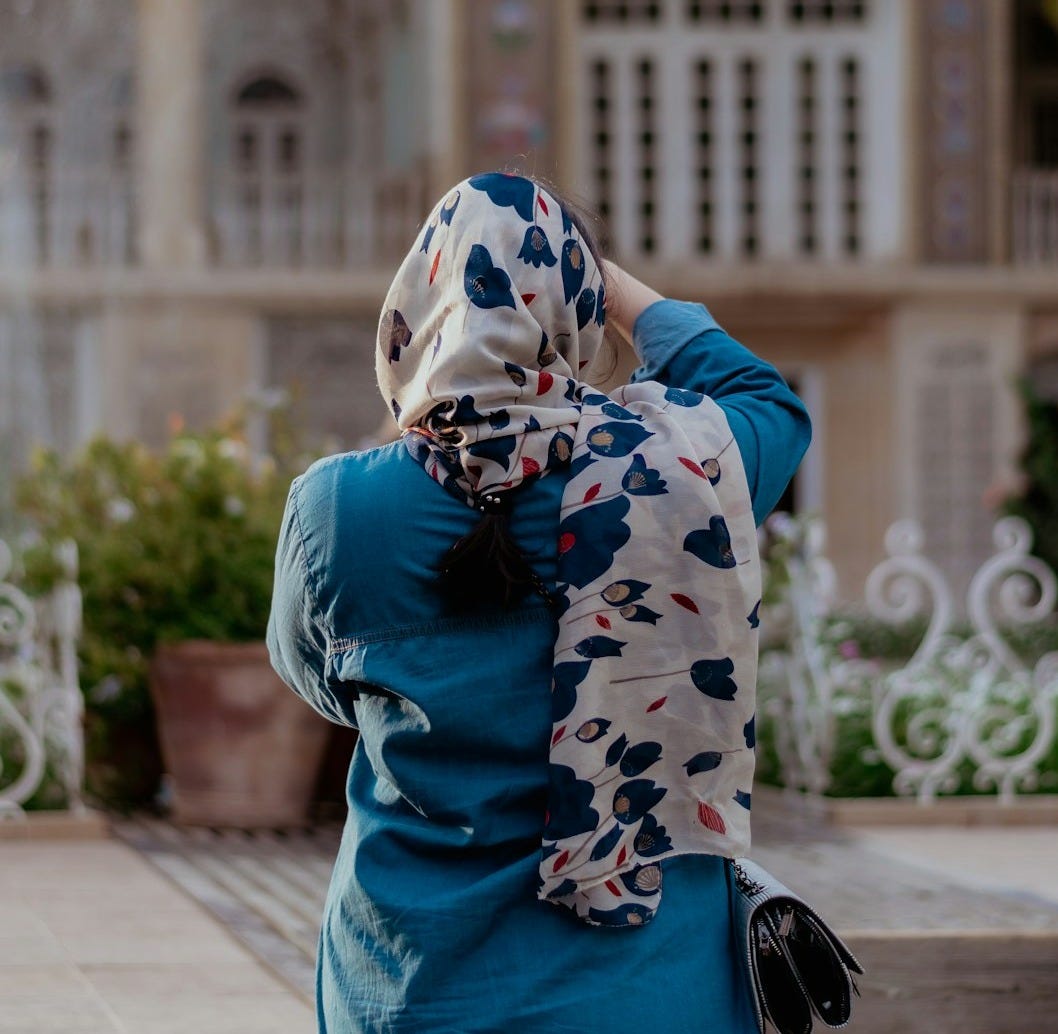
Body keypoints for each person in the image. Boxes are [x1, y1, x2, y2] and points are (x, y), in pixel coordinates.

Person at [268, 172, 811, 1033]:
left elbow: (321, 685)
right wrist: (615, 284)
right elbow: (768, 401)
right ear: (577, 312)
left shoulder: (340, 509)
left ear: (418, 309)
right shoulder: (681, 469)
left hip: (414, 988)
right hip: (647, 994)